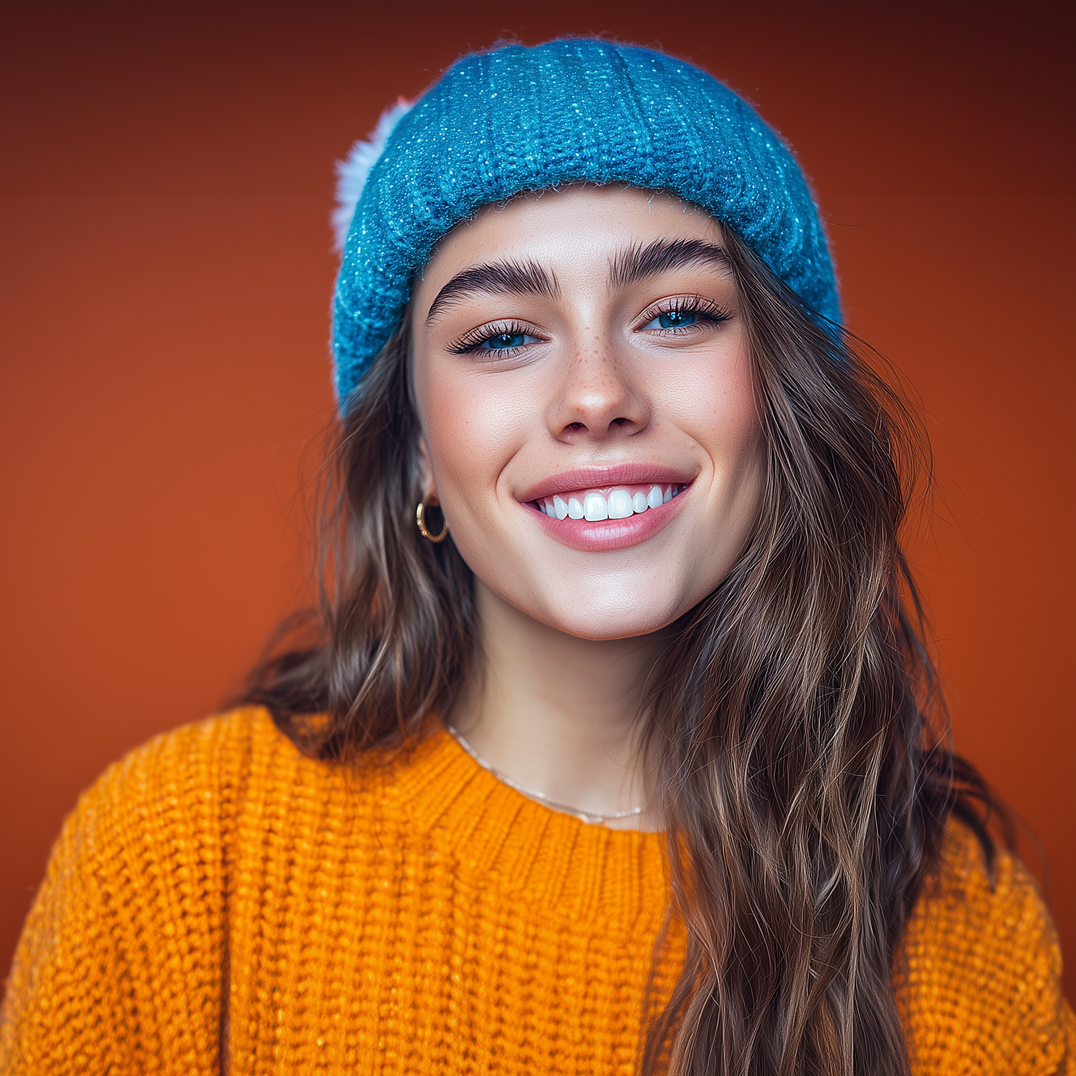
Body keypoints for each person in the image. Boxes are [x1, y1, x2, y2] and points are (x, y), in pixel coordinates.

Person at [1, 37, 1072, 1076]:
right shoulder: (178, 850)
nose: (596, 394)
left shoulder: (964, 929)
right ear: (417, 449)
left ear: (782, 401)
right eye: (502, 335)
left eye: (675, 315)